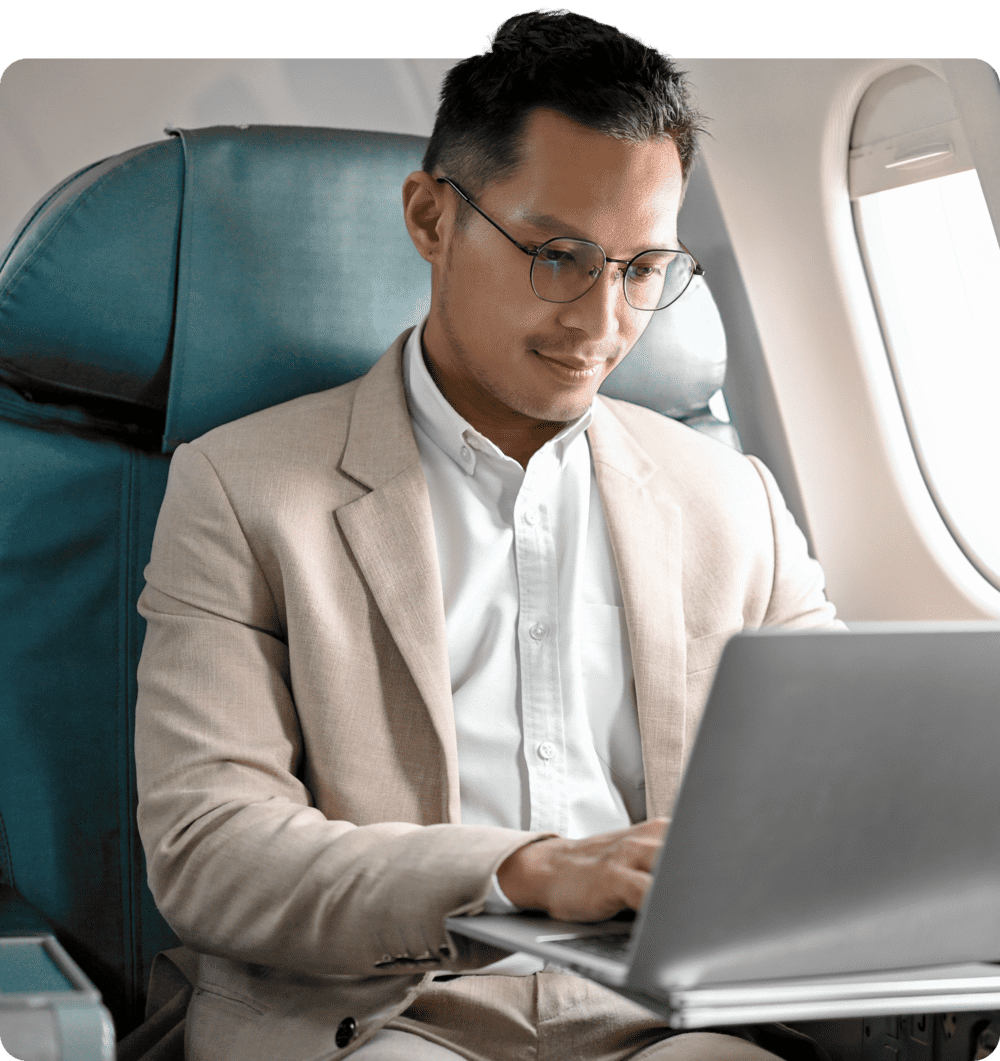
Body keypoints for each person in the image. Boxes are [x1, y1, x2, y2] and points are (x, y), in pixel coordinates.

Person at [134, 11, 841, 1061]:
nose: (600, 324)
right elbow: (212, 850)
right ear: (431, 217)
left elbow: (848, 787)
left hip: (667, 1017)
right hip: (378, 1014)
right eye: (559, 255)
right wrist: (524, 868)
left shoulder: (729, 499)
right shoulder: (241, 488)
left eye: (642, 268)